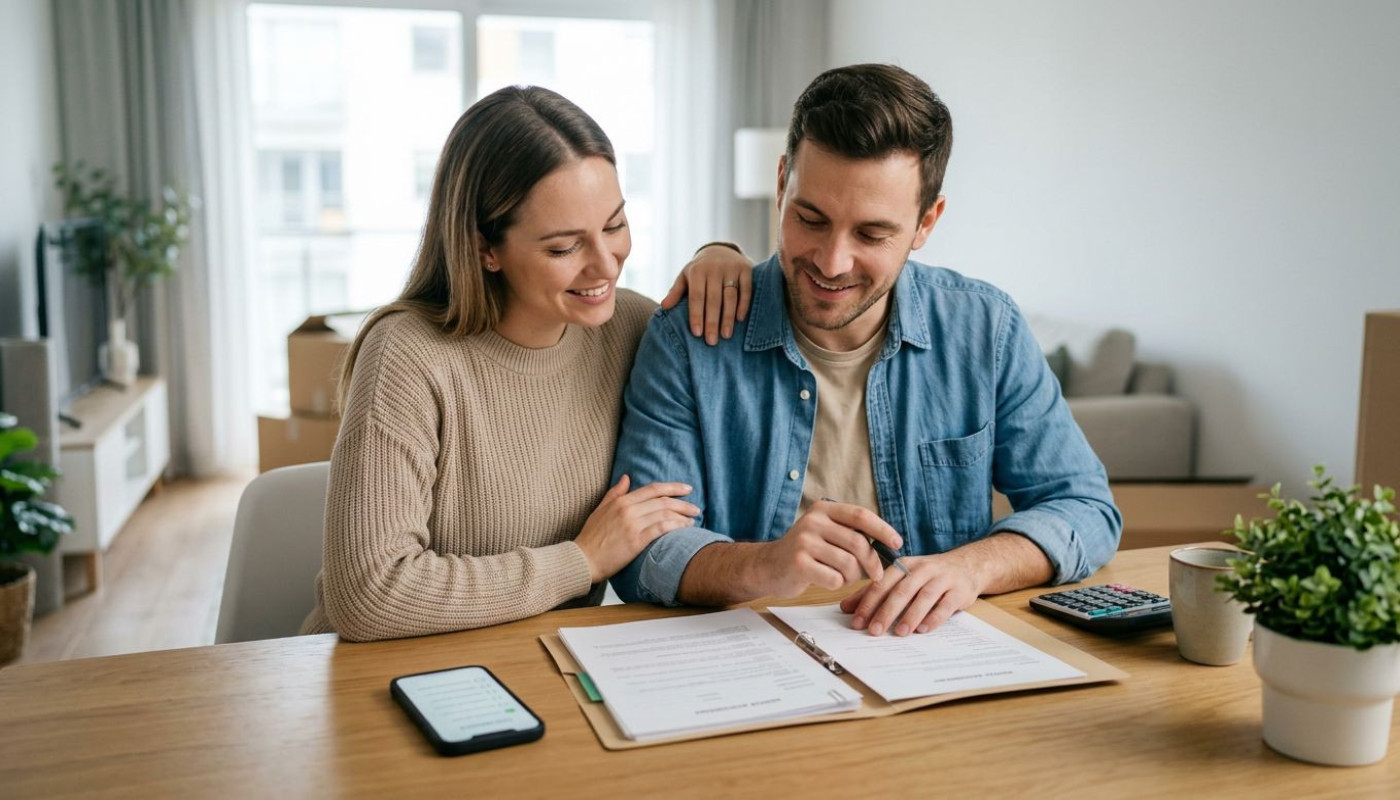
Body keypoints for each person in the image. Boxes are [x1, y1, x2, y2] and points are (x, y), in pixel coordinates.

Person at [610, 64, 1122, 637]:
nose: (832, 262)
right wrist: (767, 563)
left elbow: (1084, 508)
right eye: (810, 218)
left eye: (872, 235)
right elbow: (643, 557)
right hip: (750, 665)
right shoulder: (690, 336)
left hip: (933, 667)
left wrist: (971, 566)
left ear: (927, 221)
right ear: (781, 185)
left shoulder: (986, 328)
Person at [300, 86, 751, 642]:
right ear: (485, 248)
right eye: (564, 248)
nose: (606, 265)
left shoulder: (633, 327)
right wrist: (582, 561)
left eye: (614, 225)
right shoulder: (407, 356)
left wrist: (719, 253)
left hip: (545, 665)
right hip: (384, 676)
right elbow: (370, 595)